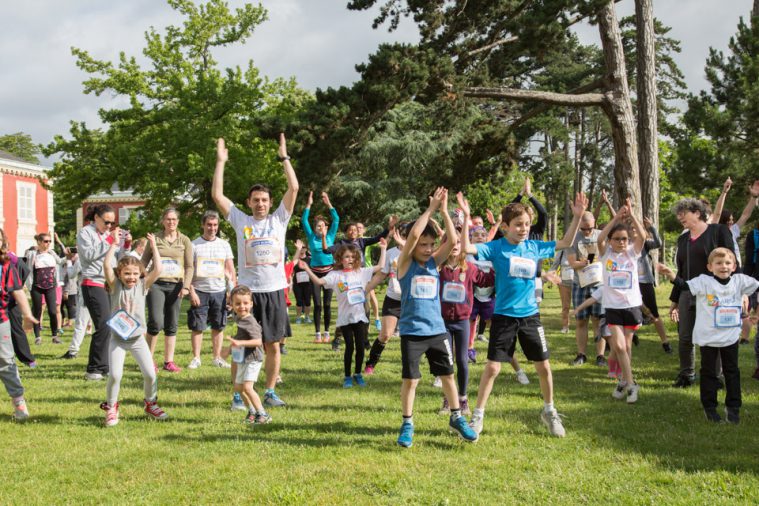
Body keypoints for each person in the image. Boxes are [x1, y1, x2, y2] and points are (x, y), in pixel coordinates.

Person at [462, 191, 588, 438]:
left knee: (544, 367)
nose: (523, 229)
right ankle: (477, 416)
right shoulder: (495, 247)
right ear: (506, 226)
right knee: (493, 369)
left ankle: (550, 412)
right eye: (518, 225)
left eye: (527, 224)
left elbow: (564, 242)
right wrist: (467, 218)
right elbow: (467, 247)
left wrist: (578, 216)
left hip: (530, 316)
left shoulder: (534, 247)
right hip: (504, 317)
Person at [212, 135, 298, 408]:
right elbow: (217, 195)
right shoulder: (241, 220)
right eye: (256, 200)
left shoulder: (279, 220)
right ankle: (238, 394)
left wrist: (284, 158)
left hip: (273, 291)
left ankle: (270, 391)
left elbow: (294, 188)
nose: (260, 204)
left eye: (264, 200)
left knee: (272, 345)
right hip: (248, 295)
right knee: (242, 343)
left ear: (270, 202)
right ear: (248, 203)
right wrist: (221, 162)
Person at [394, 187, 478, 448]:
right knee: (412, 380)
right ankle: (407, 423)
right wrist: (430, 210)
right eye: (424, 244)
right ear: (412, 245)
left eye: (432, 245)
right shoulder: (404, 265)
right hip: (412, 333)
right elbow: (415, 233)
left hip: (437, 331)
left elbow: (452, 242)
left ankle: (456, 416)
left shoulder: (434, 264)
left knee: (448, 376)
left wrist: (443, 211)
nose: (429, 249)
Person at [659, 248, 758, 423]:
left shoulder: (739, 281)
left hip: (730, 337)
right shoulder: (703, 282)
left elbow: (757, 284)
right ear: (710, 267)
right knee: (709, 373)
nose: (724, 266)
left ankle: (733, 407)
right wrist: (671, 275)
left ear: (734, 266)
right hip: (709, 338)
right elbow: (685, 286)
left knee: (732, 372)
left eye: (728, 263)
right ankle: (710, 407)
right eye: (719, 263)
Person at [100, 231, 168, 427]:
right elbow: (106, 265)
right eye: (127, 273)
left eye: (134, 273)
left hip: (138, 339)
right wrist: (113, 243)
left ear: (140, 274)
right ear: (119, 274)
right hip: (118, 339)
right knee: (115, 375)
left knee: (150, 374)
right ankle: (111, 408)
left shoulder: (142, 285)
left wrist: (153, 246)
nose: (131, 277)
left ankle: (150, 403)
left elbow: (159, 268)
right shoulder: (114, 286)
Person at [300, 241, 387, 388]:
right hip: (345, 318)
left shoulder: (361, 272)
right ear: (340, 259)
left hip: (360, 317)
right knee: (349, 347)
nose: (350, 259)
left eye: (353, 257)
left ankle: (358, 374)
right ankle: (347, 376)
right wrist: (308, 269)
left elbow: (380, 267)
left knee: (360, 347)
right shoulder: (335, 275)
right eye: (347, 257)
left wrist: (384, 249)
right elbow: (320, 281)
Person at [669, 198, 734, 387]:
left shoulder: (718, 231)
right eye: (678, 214)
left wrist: (738, 290)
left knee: (713, 336)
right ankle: (686, 375)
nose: (680, 216)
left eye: (684, 212)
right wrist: (675, 301)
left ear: (697, 213)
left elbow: (730, 261)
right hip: (687, 293)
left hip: (713, 294)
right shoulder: (683, 239)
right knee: (685, 338)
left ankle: (715, 377)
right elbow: (681, 271)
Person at [438, 210, 494, 415]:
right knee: (447, 361)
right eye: (449, 244)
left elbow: (488, 280)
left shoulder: (469, 268)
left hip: (462, 321)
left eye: (457, 244)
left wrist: (498, 265)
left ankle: (462, 399)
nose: (453, 248)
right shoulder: (438, 270)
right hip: (442, 322)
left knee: (462, 361)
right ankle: (447, 400)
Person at [593, 199, 647, 403]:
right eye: (617, 239)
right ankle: (632, 384)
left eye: (624, 239)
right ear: (611, 240)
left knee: (627, 347)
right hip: (613, 307)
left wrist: (632, 215)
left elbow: (642, 236)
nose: (621, 242)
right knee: (620, 347)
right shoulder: (606, 254)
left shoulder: (633, 253)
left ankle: (625, 381)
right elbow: (599, 239)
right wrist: (616, 218)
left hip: (631, 305)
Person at [78, 204, 129, 380]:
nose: (109, 226)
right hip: (92, 282)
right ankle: (93, 369)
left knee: (111, 325)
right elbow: (88, 254)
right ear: (96, 218)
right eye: (106, 222)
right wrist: (110, 242)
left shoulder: (108, 235)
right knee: (103, 324)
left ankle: (104, 366)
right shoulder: (85, 232)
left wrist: (126, 244)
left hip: (108, 283)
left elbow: (119, 260)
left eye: (112, 223)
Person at [141, 207, 194, 373]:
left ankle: (168, 361)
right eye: (168, 219)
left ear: (178, 221)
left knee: (172, 324)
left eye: (174, 219)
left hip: (176, 286)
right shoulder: (155, 238)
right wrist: (142, 279)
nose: (171, 222)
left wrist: (186, 286)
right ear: (163, 221)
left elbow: (189, 266)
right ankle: (148, 360)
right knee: (155, 321)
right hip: (156, 284)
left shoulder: (184, 240)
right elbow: (143, 262)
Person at [187, 210, 236, 370]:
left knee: (218, 325)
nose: (212, 228)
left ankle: (217, 358)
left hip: (219, 291)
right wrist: (191, 291)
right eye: (209, 224)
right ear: (203, 225)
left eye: (215, 225)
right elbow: (188, 270)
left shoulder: (224, 244)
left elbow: (230, 270)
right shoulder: (193, 245)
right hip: (200, 290)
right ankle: (196, 358)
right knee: (197, 326)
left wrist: (231, 292)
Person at [0, 228, 38, 421]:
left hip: (1, 320)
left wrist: (27, 315)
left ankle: (19, 403)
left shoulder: (6, 266)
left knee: (6, 361)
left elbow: (18, 291)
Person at [364, 225, 409, 374]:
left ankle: (413, 369)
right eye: (401, 235)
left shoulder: (416, 252)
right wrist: (366, 289)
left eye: (406, 235)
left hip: (412, 301)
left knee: (414, 337)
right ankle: (370, 364)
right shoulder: (391, 253)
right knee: (385, 335)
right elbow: (381, 275)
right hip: (393, 299)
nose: (403, 238)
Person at [226, 285, 271, 425]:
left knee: (247, 387)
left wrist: (240, 344)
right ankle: (252, 411)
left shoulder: (250, 321)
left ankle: (263, 414)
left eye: (245, 303)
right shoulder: (238, 319)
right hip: (243, 358)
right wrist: (227, 350)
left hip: (253, 359)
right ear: (232, 305)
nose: (242, 306)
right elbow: (237, 339)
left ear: (251, 304)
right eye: (237, 303)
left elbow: (258, 341)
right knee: (238, 387)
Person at [567, 209, 607, 367]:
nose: (586, 231)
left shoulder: (600, 236)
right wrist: (581, 263)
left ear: (594, 224)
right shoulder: (573, 239)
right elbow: (572, 263)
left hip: (599, 284)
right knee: (581, 321)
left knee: (599, 321)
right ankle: (581, 354)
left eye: (589, 228)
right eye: (583, 228)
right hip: (580, 284)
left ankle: (601, 356)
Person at [302, 191, 339, 344]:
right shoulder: (311, 237)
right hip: (315, 274)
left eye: (322, 226)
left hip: (329, 273)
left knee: (327, 304)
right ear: (314, 228)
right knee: (317, 304)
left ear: (326, 227)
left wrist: (328, 203)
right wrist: (309, 204)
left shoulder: (330, 236)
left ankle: (326, 333)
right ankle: (317, 334)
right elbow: (304, 219)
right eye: (317, 226)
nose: (319, 228)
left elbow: (336, 218)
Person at [634, 216, 672, 353]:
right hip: (632, 284)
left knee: (654, 313)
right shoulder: (624, 245)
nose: (634, 231)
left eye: (636, 229)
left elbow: (658, 243)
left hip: (645, 282)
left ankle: (665, 343)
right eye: (631, 229)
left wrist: (651, 228)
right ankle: (631, 336)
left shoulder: (645, 244)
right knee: (631, 312)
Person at [25, 233, 66, 345]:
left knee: (53, 311)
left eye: (49, 241)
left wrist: (68, 256)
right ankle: (38, 337)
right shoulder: (33, 253)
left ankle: (55, 336)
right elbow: (25, 260)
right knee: (37, 311)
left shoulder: (52, 253)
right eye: (45, 241)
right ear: (39, 242)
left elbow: (60, 261)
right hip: (36, 286)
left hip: (51, 286)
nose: (48, 244)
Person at [292, 242, 313, 324]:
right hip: (297, 284)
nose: (302, 249)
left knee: (308, 301)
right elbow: (292, 265)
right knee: (299, 301)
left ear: (306, 249)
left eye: (304, 247)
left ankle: (307, 317)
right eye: (301, 247)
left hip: (308, 284)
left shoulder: (310, 259)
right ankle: (298, 317)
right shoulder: (296, 259)